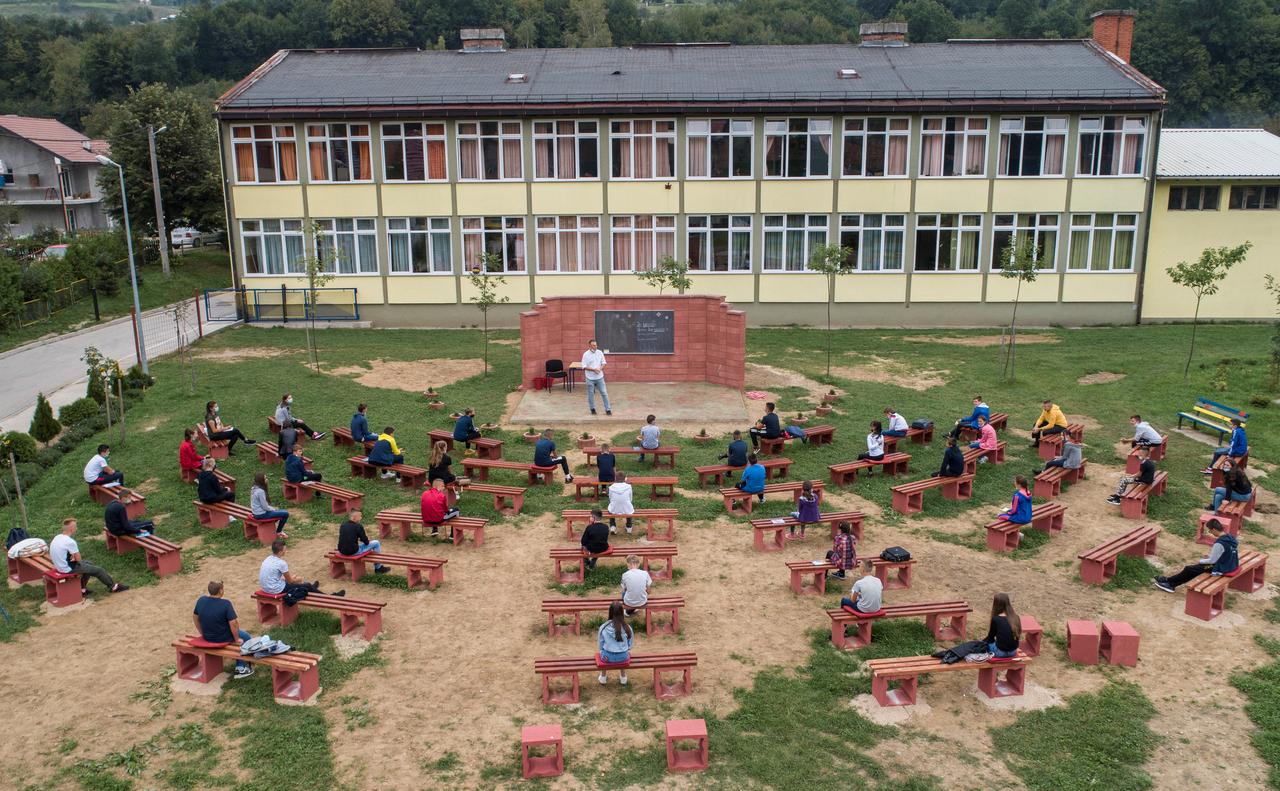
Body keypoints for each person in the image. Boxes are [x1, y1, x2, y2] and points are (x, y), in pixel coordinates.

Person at [1152, 519, 1239, 592]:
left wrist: (1201, 561)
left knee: (1190, 569)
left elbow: (1212, 561)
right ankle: (1168, 580)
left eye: (1210, 530)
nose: (1210, 532)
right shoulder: (1230, 537)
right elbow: (1225, 552)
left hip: (1221, 567)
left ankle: (1171, 584)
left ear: (1214, 529)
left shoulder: (1220, 543)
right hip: (1231, 564)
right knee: (1194, 569)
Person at [50, 518, 128, 596]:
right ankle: (113, 586)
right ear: (71, 529)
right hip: (67, 569)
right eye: (76, 527)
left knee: (88, 564)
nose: (76, 528)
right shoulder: (70, 542)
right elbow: (79, 560)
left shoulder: (58, 537)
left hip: (59, 566)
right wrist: (74, 557)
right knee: (99, 570)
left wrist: (72, 557)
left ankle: (82, 589)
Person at [194, 580, 254, 679]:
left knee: (240, 635)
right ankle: (240, 667)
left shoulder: (201, 600)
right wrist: (236, 639)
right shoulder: (226, 604)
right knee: (246, 637)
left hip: (208, 636)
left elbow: (195, 617)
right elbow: (233, 624)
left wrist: (202, 632)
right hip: (222, 637)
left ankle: (243, 661)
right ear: (221, 591)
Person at [259, 539, 342, 599]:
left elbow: (274, 576)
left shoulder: (267, 559)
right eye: (285, 549)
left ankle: (311, 587)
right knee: (306, 585)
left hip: (266, 588)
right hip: (276, 590)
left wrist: (292, 579)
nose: (286, 551)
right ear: (280, 552)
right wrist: (297, 579)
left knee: (303, 584)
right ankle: (330, 597)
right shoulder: (281, 563)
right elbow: (290, 581)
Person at [597, 601, 633, 685]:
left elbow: (600, 644)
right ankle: (623, 678)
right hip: (623, 657)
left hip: (607, 657)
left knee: (603, 652)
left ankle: (603, 677)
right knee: (624, 651)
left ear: (610, 612)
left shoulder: (604, 627)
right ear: (622, 612)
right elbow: (630, 645)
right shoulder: (627, 627)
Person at [982, 593, 1022, 659]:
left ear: (996, 604)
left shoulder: (996, 619)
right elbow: (1018, 634)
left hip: (999, 653)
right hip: (1013, 652)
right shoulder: (1016, 617)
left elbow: (990, 638)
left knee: (986, 644)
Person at [250, 473, 289, 538]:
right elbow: (265, 507)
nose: (267, 479)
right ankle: (279, 531)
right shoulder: (260, 491)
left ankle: (273, 527)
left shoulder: (254, 488)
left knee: (278, 512)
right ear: (261, 481)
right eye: (265, 478)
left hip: (255, 513)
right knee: (285, 513)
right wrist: (273, 509)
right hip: (261, 514)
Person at [581, 338, 612, 415]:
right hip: (590, 378)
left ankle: (608, 409)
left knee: (604, 393)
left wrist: (600, 369)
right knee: (591, 394)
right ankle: (592, 409)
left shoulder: (600, 352)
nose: (595, 346)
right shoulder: (585, 354)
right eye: (593, 345)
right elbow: (584, 366)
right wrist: (593, 369)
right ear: (589, 346)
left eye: (596, 345)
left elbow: (604, 363)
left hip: (600, 377)